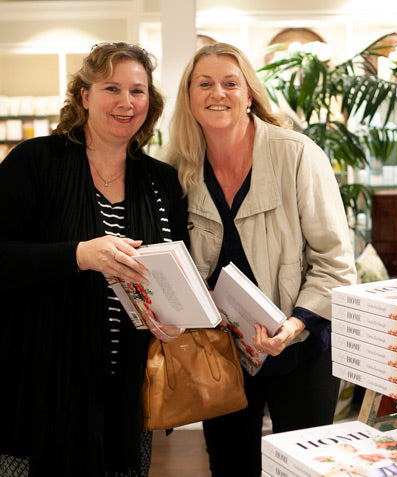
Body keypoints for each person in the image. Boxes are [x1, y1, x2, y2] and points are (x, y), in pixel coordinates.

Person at [164, 42, 357, 476]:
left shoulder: (297, 154)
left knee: (303, 467)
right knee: (231, 466)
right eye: (205, 83)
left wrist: (294, 325)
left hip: (301, 349)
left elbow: (335, 262)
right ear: (190, 97)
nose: (219, 93)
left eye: (231, 83)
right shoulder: (178, 168)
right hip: (223, 356)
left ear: (249, 93)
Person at [0, 42, 188, 476]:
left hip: (126, 393)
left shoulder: (161, 181)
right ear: (84, 96)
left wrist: (173, 315)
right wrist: (79, 255)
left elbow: (176, 272)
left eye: (138, 91)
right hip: (41, 386)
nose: (126, 102)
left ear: (150, 102)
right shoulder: (35, 162)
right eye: (112, 88)